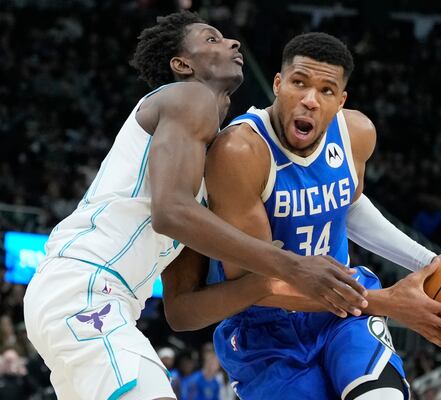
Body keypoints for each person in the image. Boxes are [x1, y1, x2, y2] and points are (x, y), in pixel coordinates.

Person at [22, 13, 368, 400]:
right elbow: (170, 212)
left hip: (103, 302)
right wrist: (292, 265)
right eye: (212, 39)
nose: (233, 43)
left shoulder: (207, 163)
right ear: (182, 65)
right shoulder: (189, 96)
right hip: (84, 289)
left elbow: (182, 312)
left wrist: (265, 283)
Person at [163, 32, 441, 399]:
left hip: (343, 309)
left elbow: (349, 204)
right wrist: (386, 302)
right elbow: (258, 285)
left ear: (341, 100)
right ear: (278, 85)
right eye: (299, 84)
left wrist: (431, 263)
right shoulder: (239, 152)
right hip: (266, 327)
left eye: (326, 91)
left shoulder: (356, 133)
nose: (310, 101)